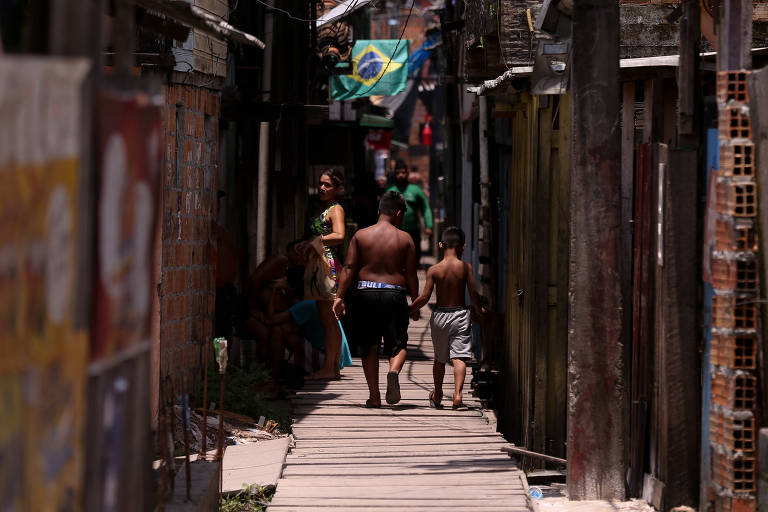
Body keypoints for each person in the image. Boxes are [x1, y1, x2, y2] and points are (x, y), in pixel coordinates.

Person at [333, 191, 420, 407]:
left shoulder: (361, 235)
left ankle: (374, 396)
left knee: (369, 346)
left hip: (365, 292)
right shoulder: (405, 239)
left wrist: (339, 296)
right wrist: (416, 302)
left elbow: (349, 267)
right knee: (398, 345)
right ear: (398, 213)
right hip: (394, 293)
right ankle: (393, 371)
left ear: (379, 210)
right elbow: (411, 275)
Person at [409, 227, 484, 410]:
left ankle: (438, 393)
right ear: (463, 247)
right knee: (459, 357)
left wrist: (411, 308)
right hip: (460, 314)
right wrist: (479, 311)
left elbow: (425, 297)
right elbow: (473, 293)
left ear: (441, 245)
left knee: (440, 359)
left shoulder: (434, 270)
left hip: (440, 315)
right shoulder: (466, 268)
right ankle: (458, 396)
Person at [307, 169, 346, 380]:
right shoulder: (324, 207)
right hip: (319, 264)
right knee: (328, 318)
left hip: (326, 266)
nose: (322, 188)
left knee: (329, 318)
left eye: (328, 185)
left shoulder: (335, 209)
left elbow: (340, 235)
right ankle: (332, 367)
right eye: (321, 183)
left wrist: (316, 242)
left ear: (338, 189)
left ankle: (330, 368)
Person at [387, 159, 433, 266]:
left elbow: (425, 208)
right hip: (394, 230)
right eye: (398, 173)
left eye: (403, 172)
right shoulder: (390, 190)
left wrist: (429, 225)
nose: (401, 175)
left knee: (414, 256)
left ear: (407, 173)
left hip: (413, 230)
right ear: (395, 174)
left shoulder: (415, 189)